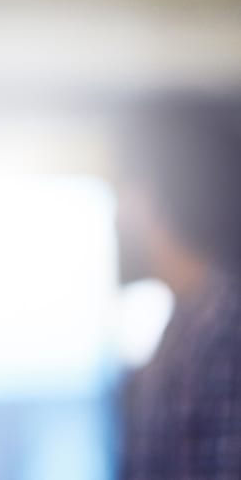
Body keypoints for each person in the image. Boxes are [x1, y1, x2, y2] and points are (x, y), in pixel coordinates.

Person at [115, 101, 241, 479]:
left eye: (123, 190)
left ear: (151, 198)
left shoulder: (224, 332)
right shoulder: (187, 325)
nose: (116, 215)